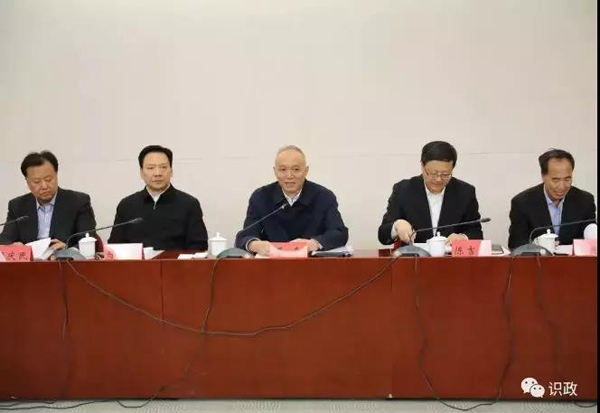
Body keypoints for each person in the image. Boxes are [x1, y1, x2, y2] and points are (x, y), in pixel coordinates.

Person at [235, 145, 348, 256]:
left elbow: (339, 233)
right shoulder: (261, 197)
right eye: (283, 170)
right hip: (271, 264)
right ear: (275, 171)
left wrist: (313, 244)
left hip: (312, 264)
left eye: (296, 169)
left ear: (306, 171)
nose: (289, 175)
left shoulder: (324, 196)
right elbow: (244, 236)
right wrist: (255, 245)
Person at [378, 141, 483, 246]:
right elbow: (383, 235)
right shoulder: (403, 190)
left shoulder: (465, 192)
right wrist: (397, 225)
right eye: (433, 173)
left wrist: (463, 237)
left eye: (445, 174)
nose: (438, 179)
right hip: (414, 255)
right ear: (422, 166)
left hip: (451, 255)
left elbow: (476, 231)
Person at [108, 145, 208, 250]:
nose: (157, 173)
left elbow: (199, 247)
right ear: (141, 173)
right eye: (151, 168)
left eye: (163, 167)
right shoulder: (127, 205)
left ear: (171, 171)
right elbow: (115, 247)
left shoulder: (189, 204)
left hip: (175, 261)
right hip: (136, 261)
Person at [0, 151, 96, 250]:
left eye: (48, 179)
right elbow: (4, 240)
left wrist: (67, 249)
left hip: (63, 259)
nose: (44, 186)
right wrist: (13, 246)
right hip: (30, 259)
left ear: (56, 175)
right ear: (27, 182)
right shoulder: (17, 206)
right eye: (37, 182)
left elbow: (88, 241)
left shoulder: (78, 202)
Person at [508, 149, 596, 248]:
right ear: (543, 176)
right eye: (555, 180)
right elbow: (516, 245)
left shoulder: (585, 201)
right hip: (538, 258)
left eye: (567, 179)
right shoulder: (522, 203)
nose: (562, 186)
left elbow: (591, 242)